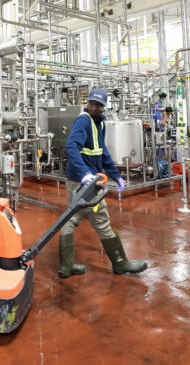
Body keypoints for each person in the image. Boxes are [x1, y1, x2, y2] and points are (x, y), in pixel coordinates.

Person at [61, 88, 147, 277]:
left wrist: (116, 175)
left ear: (103, 106)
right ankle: (120, 263)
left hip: (89, 180)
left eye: (99, 104)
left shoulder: (99, 124)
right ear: (88, 103)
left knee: (72, 217)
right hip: (83, 181)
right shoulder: (83, 121)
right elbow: (71, 146)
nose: (95, 107)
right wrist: (84, 174)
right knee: (101, 220)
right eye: (92, 103)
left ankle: (66, 266)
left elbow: (102, 152)